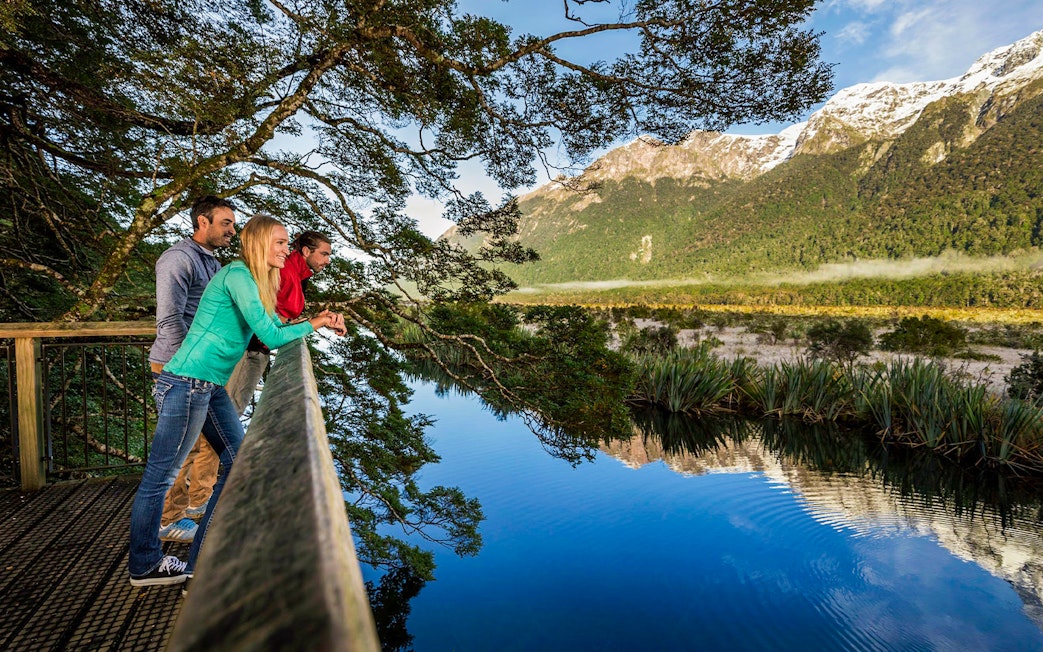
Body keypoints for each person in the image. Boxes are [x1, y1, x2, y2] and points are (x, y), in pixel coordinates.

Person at [128, 213, 346, 587]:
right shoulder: (238, 275)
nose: (286, 249)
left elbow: (274, 328)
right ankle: (144, 565)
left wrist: (315, 318)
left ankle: (202, 560)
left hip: (207, 386)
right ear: (260, 243)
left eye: (287, 242)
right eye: (280, 242)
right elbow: (272, 337)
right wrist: (319, 324)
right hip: (187, 382)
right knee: (159, 479)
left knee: (237, 463)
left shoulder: (257, 281)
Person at [149, 195, 236, 544]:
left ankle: (195, 506)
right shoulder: (178, 259)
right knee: (180, 452)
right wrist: (193, 363)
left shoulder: (211, 263)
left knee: (210, 447)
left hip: (203, 371)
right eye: (226, 222)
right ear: (203, 221)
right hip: (179, 368)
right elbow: (170, 321)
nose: (233, 229)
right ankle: (167, 522)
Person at [225, 230, 335, 414]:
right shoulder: (284, 271)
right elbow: (261, 312)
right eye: (324, 254)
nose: (327, 261)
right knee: (229, 410)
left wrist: (319, 320)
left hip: (258, 348)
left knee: (230, 411)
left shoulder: (299, 275)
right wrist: (317, 322)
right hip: (248, 350)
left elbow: (279, 317)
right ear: (307, 251)